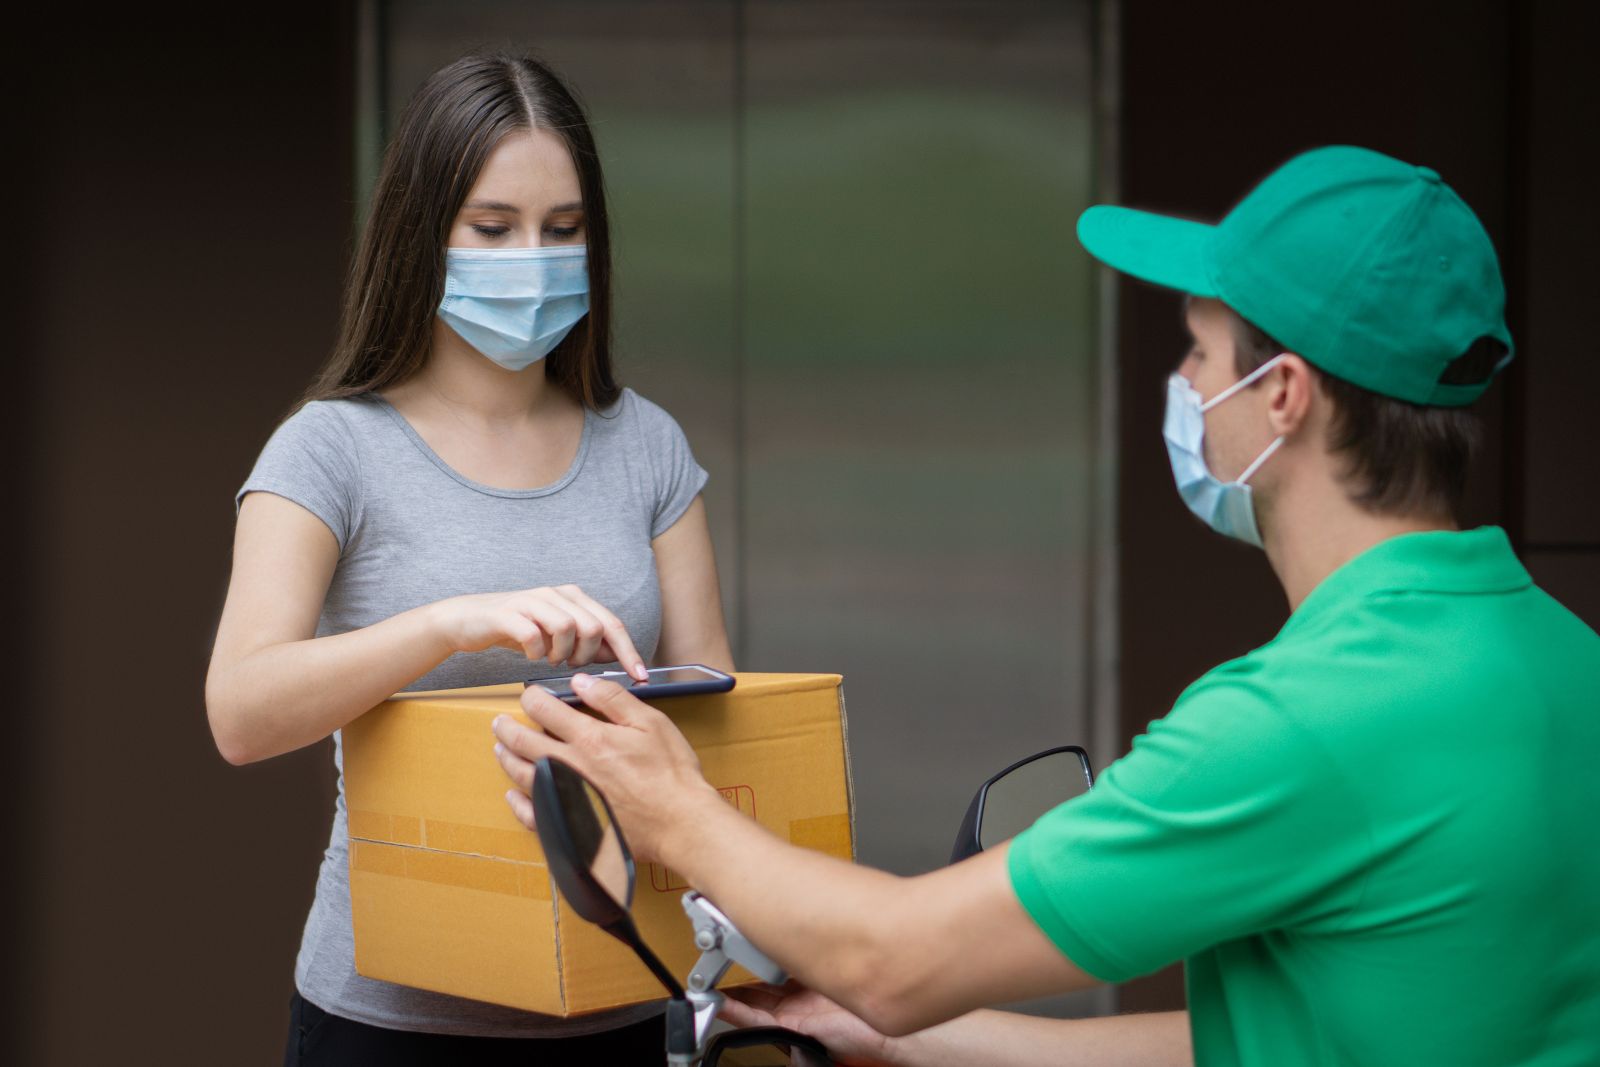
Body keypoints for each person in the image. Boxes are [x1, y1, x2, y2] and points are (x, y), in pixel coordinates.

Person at [491, 145, 1600, 1066]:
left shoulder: (1299, 720)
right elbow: (1283, 1034)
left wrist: (669, 805)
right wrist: (919, 1040)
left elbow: (893, 956)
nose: (1184, 387)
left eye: (1196, 353)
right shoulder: (1565, 659)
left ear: (1282, 396)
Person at [205, 49, 733, 1065]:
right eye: (493, 229)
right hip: (386, 1020)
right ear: (422, 234)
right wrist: (451, 621)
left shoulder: (648, 446)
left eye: (563, 229)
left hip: (619, 999)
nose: (531, 257)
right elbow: (240, 709)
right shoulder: (328, 447)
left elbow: (713, 713)